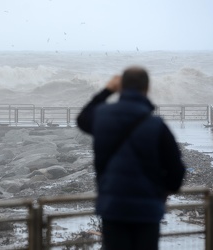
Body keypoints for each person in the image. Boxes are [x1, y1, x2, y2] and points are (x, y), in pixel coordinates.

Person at [76, 66, 185, 250]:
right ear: (147, 88)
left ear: (121, 87)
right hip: (147, 211)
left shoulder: (102, 116)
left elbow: (82, 119)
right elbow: (177, 173)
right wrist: (160, 192)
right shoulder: (156, 125)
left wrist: (107, 90)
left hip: (113, 208)